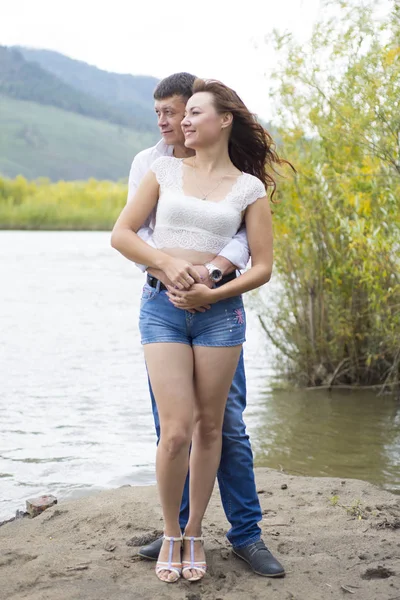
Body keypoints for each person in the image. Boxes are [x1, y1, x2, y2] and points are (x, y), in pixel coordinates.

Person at [112, 76, 288, 583]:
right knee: (175, 431)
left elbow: (256, 259)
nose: (178, 122)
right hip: (162, 305)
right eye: (172, 114)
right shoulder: (159, 167)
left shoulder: (248, 186)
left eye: (188, 112)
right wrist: (169, 268)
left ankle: (225, 533)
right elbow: (126, 233)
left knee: (220, 426)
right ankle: (174, 533)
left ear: (223, 119)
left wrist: (211, 286)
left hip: (219, 312)